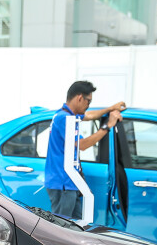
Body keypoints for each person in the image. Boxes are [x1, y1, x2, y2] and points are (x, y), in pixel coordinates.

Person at [45, 80, 125, 219]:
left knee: (75, 225)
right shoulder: (65, 119)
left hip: (69, 183)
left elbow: (90, 116)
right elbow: (82, 144)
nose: (88, 106)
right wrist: (107, 126)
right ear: (80, 98)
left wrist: (109, 109)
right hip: (63, 183)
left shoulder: (65, 114)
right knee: (61, 226)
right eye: (88, 102)